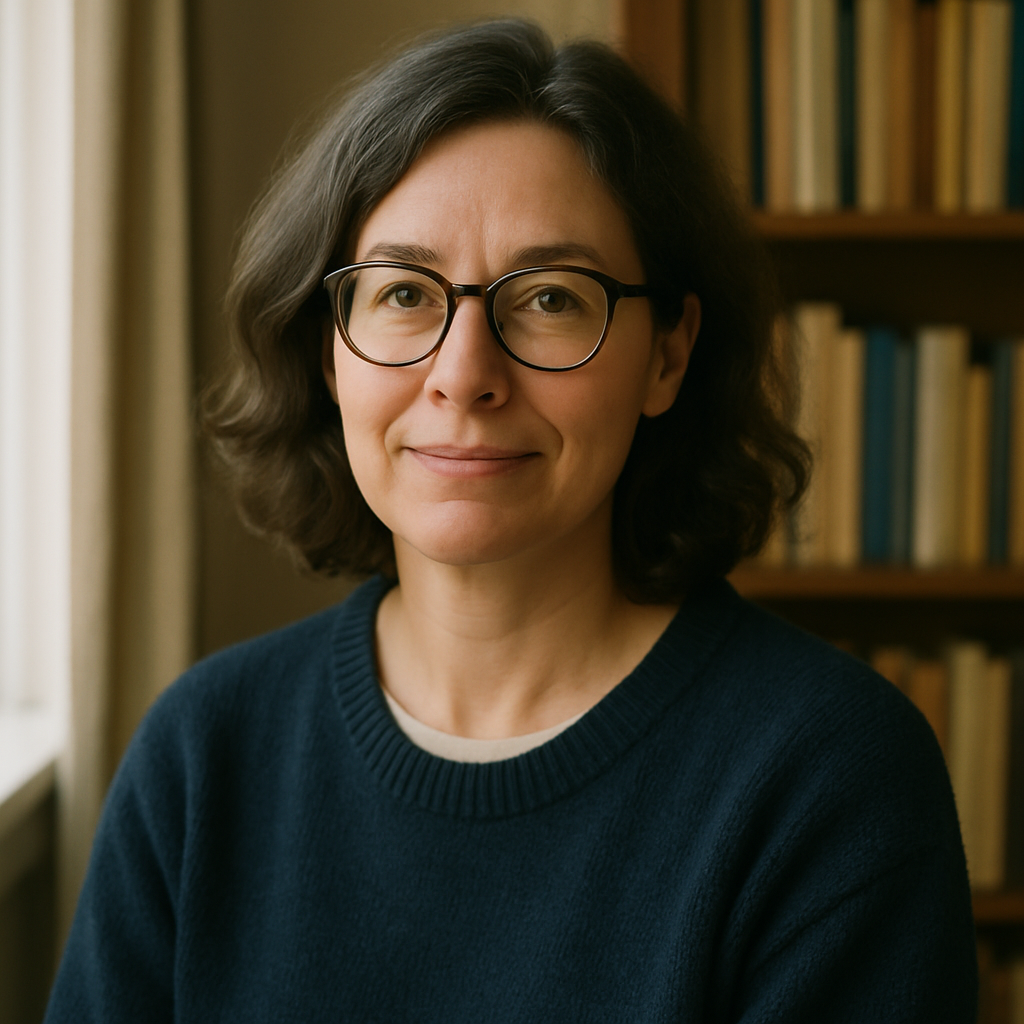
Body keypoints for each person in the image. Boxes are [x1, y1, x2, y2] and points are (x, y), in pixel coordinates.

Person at [46, 19, 977, 1022]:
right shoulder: (202, 753)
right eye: (403, 293)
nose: (463, 376)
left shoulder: (829, 773)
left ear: (667, 353)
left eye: (548, 300)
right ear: (330, 350)